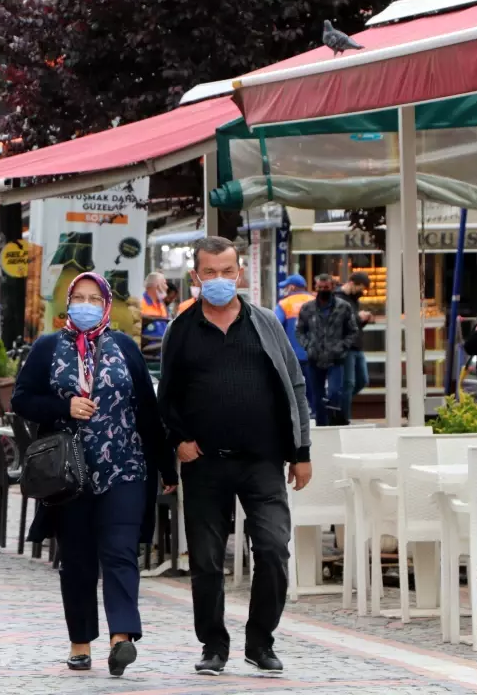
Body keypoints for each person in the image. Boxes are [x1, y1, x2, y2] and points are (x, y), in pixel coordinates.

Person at [157, 236, 311, 675]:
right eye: (211, 272)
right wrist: (179, 440)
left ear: (239, 274)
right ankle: (213, 645)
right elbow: (166, 398)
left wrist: (301, 451)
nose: (220, 280)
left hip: (263, 461)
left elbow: (294, 386)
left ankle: (260, 641)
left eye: (228, 271)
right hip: (205, 463)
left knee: (273, 549)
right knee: (205, 560)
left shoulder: (264, 323)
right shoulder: (181, 331)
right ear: (196, 277)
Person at [12, 272, 178, 677]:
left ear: (106, 305)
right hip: (70, 474)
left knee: (120, 551)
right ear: (69, 303)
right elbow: (21, 399)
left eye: (93, 298)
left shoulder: (124, 347)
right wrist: (63, 406)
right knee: (79, 559)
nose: (85, 305)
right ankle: (80, 642)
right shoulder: (48, 347)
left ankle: (122, 637)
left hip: (125, 467)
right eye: (78, 298)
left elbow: (146, 410)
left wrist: (163, 464)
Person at [295, 274, 358, 426]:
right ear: (316, 288)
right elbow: (300, 330)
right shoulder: (307, 308)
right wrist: (307, 346)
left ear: (332, 287)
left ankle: (334, 419)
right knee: (317, 396)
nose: (323, 290)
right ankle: (322, 425)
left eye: (326, 287)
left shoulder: (343, 307)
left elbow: (353, 330)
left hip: (336, 357)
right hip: (314, 358)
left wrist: (343, 346)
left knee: (335, 392)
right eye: (320, 288)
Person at [335, 272, 372, 422]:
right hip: (346, 346)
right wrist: (358, 317)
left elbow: (354, 325)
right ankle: (344, 418)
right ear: (351, 283)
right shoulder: (337, 298)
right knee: (348, 382)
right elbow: (340, 322)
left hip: (357, 346)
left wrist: (363, 320)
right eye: (360, 288)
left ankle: (339, 404)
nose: (361, 292)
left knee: (362, 379)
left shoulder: (353, 300)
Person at [274, 274, 315, 407]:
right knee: (314, 387)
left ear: (291, 287)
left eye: (286, 287)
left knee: (293, 388)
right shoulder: (315, 301)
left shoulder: (285, 304)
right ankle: (315, 413)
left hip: (292, 354)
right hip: (313, 353)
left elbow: (275, 326)